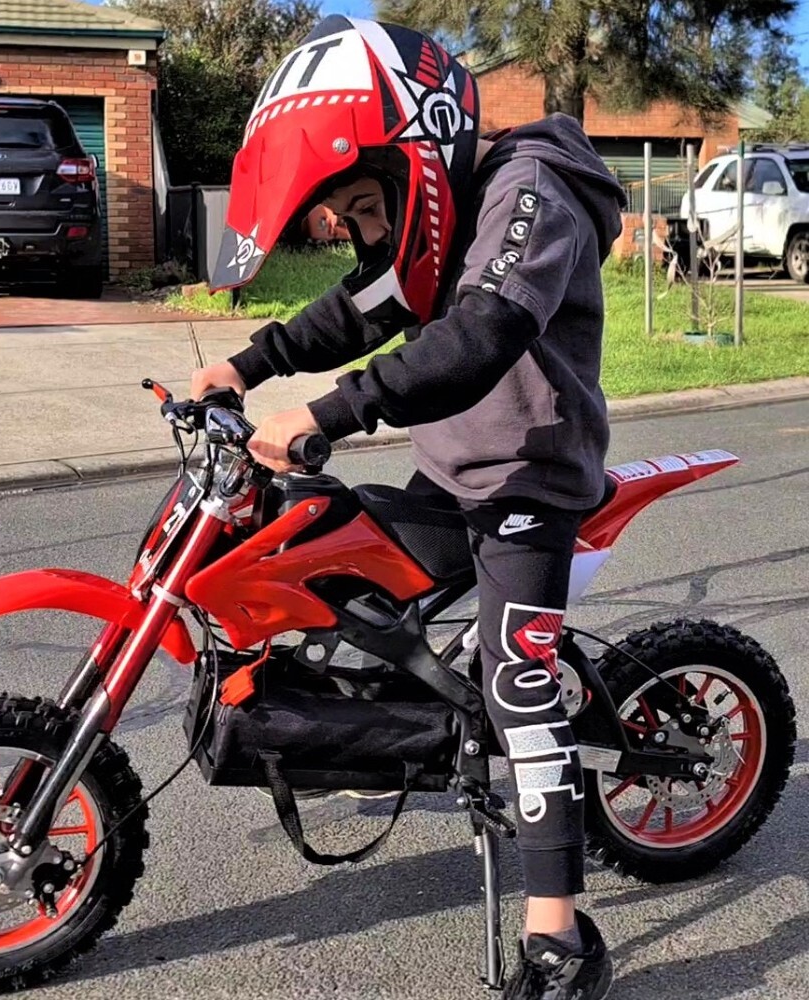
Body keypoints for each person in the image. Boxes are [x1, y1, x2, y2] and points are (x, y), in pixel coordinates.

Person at [191, 15, 626, 1000]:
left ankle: (559, 934)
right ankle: (411, 740)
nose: (362, 232)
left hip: (528, 478)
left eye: (363, 208)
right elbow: (364, 305)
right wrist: (249, 363)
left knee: (520, 684)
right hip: (452, 467)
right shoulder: (434, 218)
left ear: (418, 156)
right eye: (348, 217)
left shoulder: (530, 189)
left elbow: (483, 331)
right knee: (341, 576)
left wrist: (330, 412)